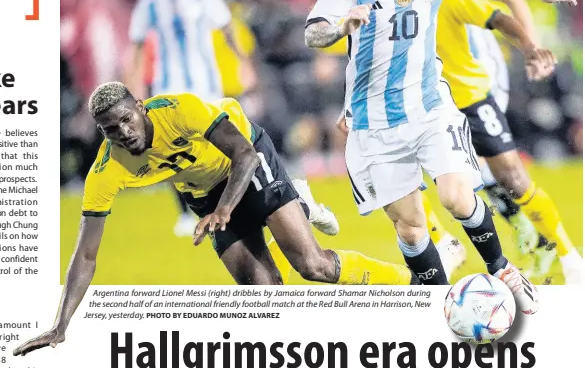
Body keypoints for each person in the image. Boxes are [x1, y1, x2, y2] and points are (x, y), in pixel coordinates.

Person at [305, 0, 576, 312]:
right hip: (373, 123)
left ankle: (503, 270)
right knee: (412, 230)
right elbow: (314, 34)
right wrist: (341, 26)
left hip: (430, 107)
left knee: (455, 196)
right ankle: (437, 305)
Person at [13, 82, 418, 357]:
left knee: (313, 266)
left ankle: (409, 283)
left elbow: (243, 153)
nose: (123, 134)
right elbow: (85, 254)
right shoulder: (107, 169)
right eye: (109, 130)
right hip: (205, 195)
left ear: (140, 106)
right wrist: (60, 324)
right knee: (265, 298)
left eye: (126, 120)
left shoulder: (180, 110)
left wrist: (225, 210)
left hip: (246, 159)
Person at [435, 0, 583, 284]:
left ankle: (548, 245)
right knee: (466, 175)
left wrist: (533, 48)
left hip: (479, 79)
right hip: (435, 90)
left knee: (493, 172)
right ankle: (531, 238)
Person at [126, 0, 258, 237]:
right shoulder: (148, 3)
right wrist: (136, 88)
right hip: (167, 88)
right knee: (173, 150)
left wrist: (244, 63)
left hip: (205, 86)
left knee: (222, 144)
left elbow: (227, 29)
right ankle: (187, 212)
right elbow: (136, 48)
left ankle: (231, 202)